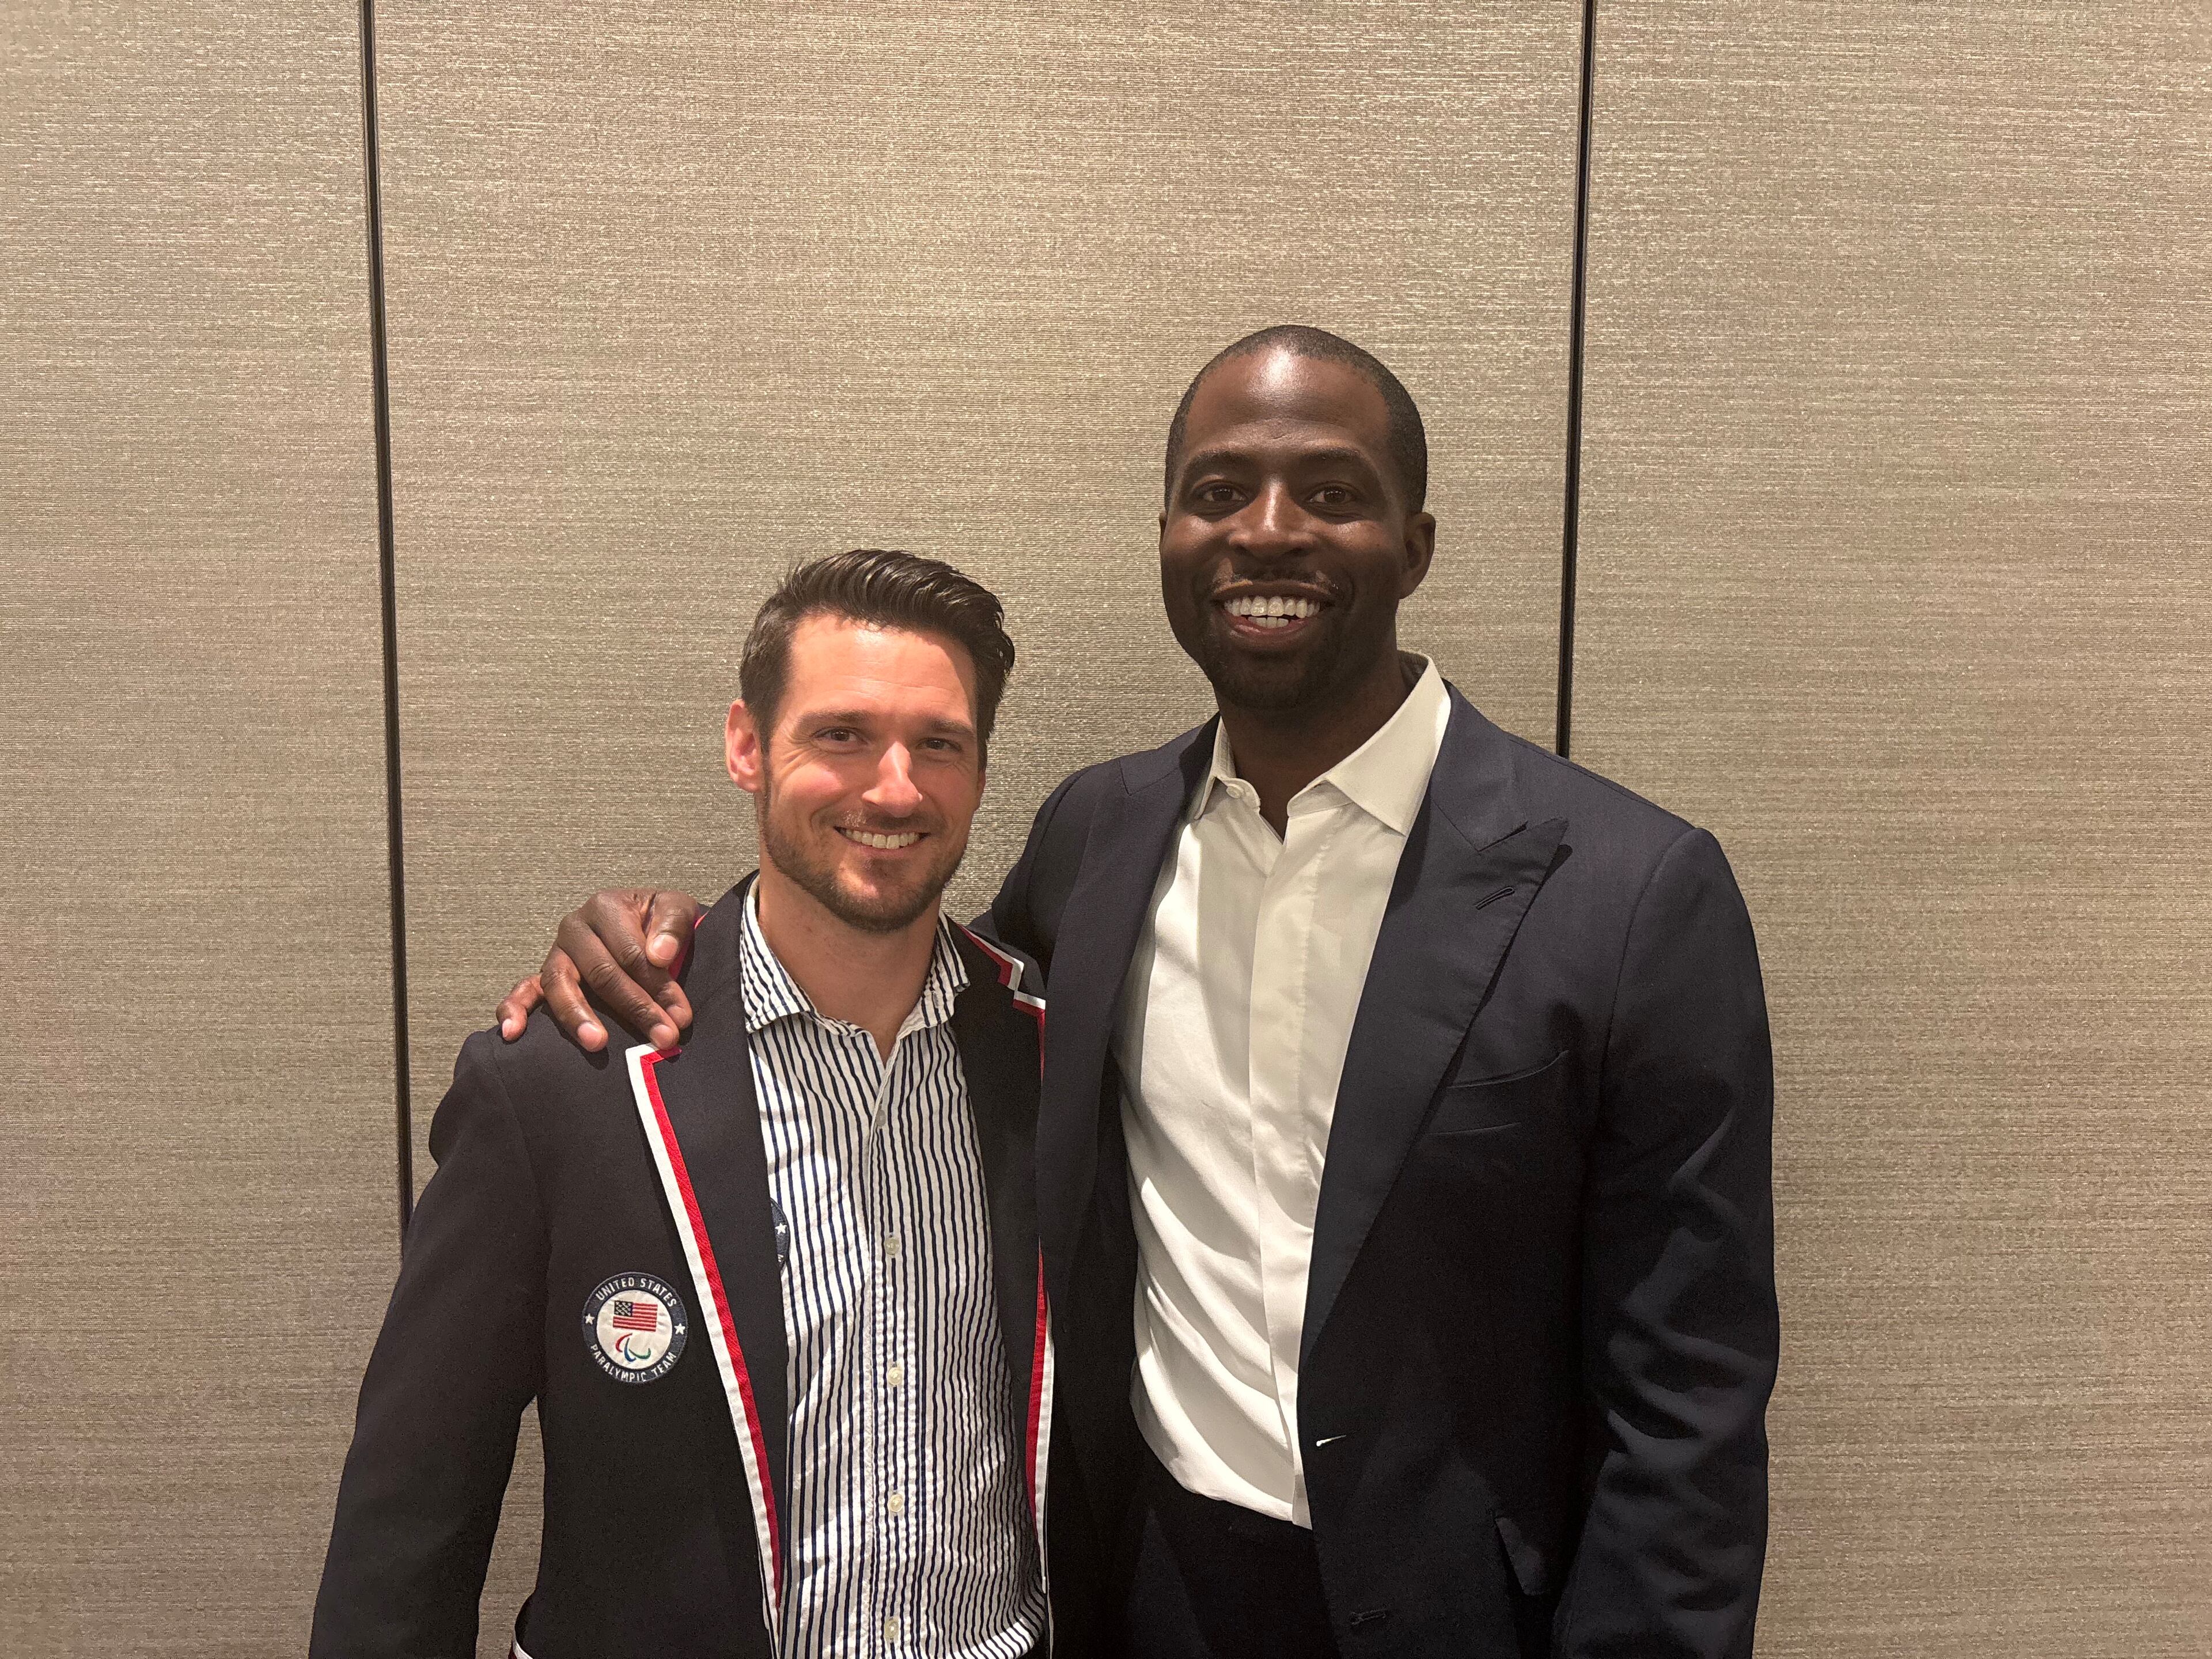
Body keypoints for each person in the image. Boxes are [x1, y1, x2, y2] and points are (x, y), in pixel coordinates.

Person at [505, 326, 1779, 1658]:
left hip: (1470, 1614)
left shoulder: (1632, 893)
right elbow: (896, 987)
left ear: (1414, 547)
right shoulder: (1098, 837)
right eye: (1219, 492)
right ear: (1170, 538)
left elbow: (1688, 1394)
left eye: (1331, 491)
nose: (1268, 531)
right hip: (1144, 1589)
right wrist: (666, 945)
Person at [313, 551, 1059, 1659]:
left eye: (938, 745)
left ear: (982, 771)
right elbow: (411, 1515)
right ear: (747, 746)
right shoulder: (559, 1085)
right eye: (841, 734)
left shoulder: (1051, 1055)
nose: (895, 788)